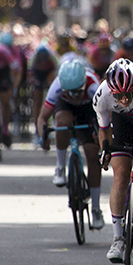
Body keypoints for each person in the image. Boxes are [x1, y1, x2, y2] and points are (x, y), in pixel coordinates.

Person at [93, 58, 133, 263]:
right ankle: (118, 237)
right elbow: (104, 129)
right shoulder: (102, 95)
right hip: (121, 127)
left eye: (129, 93)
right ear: (111, 90)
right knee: (120, 178)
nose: (125, 99)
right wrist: (105, 151)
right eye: (119, 95)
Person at [37, 59, 104, 230]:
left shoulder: (93, 86)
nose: (74, 97)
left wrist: (102, 140)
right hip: (65, 108)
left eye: (77, 92)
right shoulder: (57, 86)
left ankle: (96, 208)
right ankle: (60, 166)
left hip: (89, 109)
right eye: (70, 92)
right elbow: (42, 118)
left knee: (92, 154)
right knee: (61, 121)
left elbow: (105, 118)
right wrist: (42, 136)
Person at [29, 40, 59, 126]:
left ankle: (53, 119)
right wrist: (32, 81)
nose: (43, 62)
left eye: (44, 59)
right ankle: (36, 123)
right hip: (38, 74)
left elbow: (56, 70)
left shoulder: (52, 56)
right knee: (37, 99)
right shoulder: (33, 57)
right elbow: (30, 72)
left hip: (49, 73)